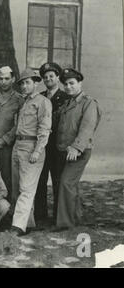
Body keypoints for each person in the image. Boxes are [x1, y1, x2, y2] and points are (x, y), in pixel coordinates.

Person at [54, 68, 101, 230]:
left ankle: (66, 224)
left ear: (80, 83)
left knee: (66, 183)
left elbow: (87, 128)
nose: (68, 87)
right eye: (65, 84)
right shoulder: (68, 102)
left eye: (72, 83)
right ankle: (76, 218)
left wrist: (76, 148)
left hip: (79, 151)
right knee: (69, 184)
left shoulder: (88, 103)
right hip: (65, 151)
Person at [10, 68, 52, 236]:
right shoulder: (24, 102)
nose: (24, 86)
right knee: (17, 187)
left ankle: (18, 226)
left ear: (35, 83)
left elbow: (44, 128)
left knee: (26, 188)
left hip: (32, 147)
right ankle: (29, 222)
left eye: (27, 82)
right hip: (18, 145)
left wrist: (37, 151)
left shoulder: (42, 102)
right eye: (22, 83)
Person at [34, 63, 69, 224]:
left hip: (56, 146)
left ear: (57, 78)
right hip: (41, 146)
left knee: (57, 180)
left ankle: (57, 216)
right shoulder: (39, 97)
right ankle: (40, 215)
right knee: (40, 181)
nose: (48, 79)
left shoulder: (65, 97)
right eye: (45, 77)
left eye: (51, 76)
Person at [0, 66, 24, 199]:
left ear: (13, 79)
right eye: (0, 79)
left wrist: (4, 140)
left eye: (7, 78)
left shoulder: (19, 100)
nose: (3, 82)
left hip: (8, 146)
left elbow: (20, 124)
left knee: (8, 178)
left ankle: (7, 210)